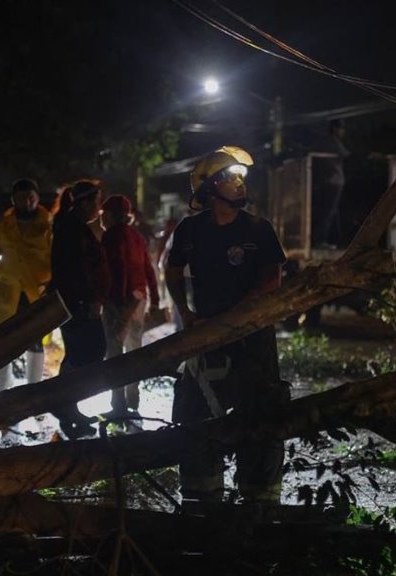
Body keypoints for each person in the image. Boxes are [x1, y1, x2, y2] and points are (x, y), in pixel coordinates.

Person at [165, 146, 289, 505]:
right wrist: (186, 314)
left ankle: (259, 501)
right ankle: (201, 499)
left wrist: (235, 318)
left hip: (254, 339)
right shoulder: (190, 230)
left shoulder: (258, 228)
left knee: (261, 414)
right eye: (230, 178)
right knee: (197, 412)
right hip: (206, 340)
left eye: (240, 178)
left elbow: (272, 279)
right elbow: (173, 270)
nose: (239, 184)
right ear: (209, 189)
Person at [0, 178, 52, 393]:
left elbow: (57, 256)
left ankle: (32, 387)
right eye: (21, 198)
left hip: (37, 291)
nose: (27, 202)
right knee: (3, 337)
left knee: (34, 337)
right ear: (13, 200)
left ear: (37, 198)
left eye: (31, 197)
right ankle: (4, 380)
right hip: (8, 291)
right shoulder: (3, 227)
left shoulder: (48, 225)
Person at [50, 180, 111, 438]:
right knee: (90, 351)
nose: (98, 209)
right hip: (78, 303)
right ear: (85, 202)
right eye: (96, 202)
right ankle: (63, 403)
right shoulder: (71, 229)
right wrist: (89, 300)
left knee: (80, 353)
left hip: (78, 301)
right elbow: (77, 269)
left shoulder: (74, 227)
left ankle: (67, 405)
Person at [100, 194, 160, 428]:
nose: (101, 218)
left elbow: (118, 267)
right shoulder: (137, 237)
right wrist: (153, 298)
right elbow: (148, 269)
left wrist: (116, 302)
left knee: (115, 351)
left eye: (104, 214)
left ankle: (118, 405)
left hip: (120, 300)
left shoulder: (111, 236)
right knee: (135, 349)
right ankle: (133, 399)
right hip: (139, 298)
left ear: (113, 214)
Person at [312, 119, 350, 249]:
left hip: (330, 182)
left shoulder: (328, 142)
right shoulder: (332, 142)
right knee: (327, 212)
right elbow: (346, 155)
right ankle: (320, 240)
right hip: (332, 182)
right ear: (335, 129)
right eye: (341, 128)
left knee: (331, 212)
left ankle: (332, 239)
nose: (343, 131)